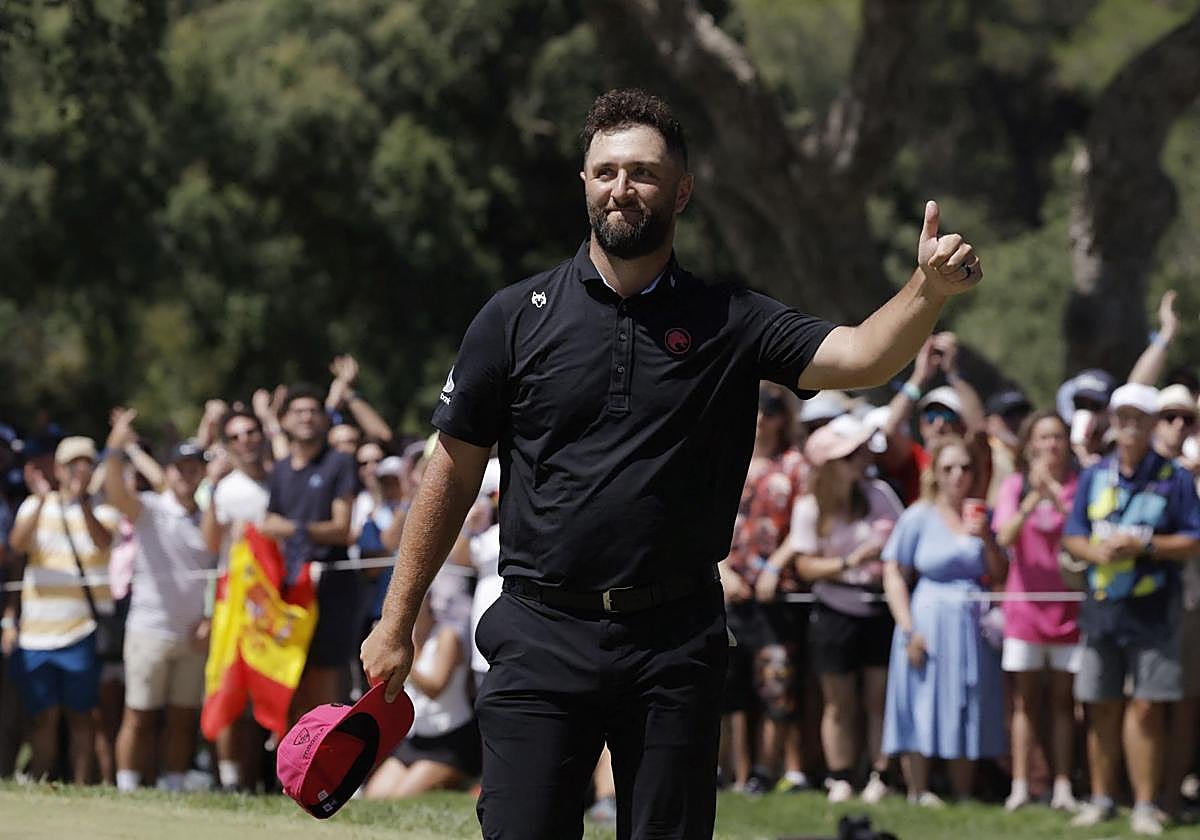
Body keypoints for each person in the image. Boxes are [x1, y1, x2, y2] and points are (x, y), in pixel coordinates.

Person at [360, 88, 983, 840]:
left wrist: (929, 290)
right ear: (585, 184)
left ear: (681, 191)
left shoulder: (730, 317)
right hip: (539, 630)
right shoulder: (513, 318)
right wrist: (397, 621)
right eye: (606, 172)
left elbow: (859, 357)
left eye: (644, 173)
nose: (622, 188)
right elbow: (452, 473)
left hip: (674, 641)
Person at [1062, 383, 1200, 835]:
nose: (1129, 425)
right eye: (1122, 416)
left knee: (1146, 708)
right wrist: (1094, 552)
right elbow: (1073, 533)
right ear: (1113, 422)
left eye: (1139, 417)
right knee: (1100, 705)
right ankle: (1101, 798)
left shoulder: (1174, 477)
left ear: (1152, 423)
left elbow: (1193, 540)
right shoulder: (1094, 474)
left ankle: (1144, 804)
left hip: (1156, 608)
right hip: (1102, 606)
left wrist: (1143, 543)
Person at [881, 436, 1007, 805]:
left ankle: (963, 790)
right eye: (949, 468)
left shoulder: (982, 515)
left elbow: (998, 572)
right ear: (935, 472)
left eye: (965, 468)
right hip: (927, 617)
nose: (957, 476)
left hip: (970, 620)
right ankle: (919, 790)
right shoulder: (918, 516)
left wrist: (986, 537)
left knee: (967, 699)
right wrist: (908, 629)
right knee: (919, 697)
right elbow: (894, 573)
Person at [788, 415, 903, 804]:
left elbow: (899, 543)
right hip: (833, 609)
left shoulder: (880, 493)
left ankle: (879, 774)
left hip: (876, 606)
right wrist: (849, 562)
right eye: (850, 454)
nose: (861, 459)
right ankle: (840, 776)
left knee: (878, 696)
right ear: (829, 463)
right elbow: (804, 565)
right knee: (839, 702)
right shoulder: (808, 507)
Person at [104, 410, 215, 792]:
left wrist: (210, 618)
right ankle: (127, 788)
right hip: (148, 630)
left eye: (193, 468)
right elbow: (116, 492)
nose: (187, 474)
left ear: (202, 474)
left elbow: (219, 575)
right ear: (167, 472)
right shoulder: (150, 508)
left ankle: (174, 786)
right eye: (180, 467)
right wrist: (115, 449)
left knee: (184, 717)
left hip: (192, 634)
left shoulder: (209, 518)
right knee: (139, 715)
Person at [7, 437, 118, 783]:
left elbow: (103, 542)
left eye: (86, 463)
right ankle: (41, 783)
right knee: (43, 717)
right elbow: (17, 545)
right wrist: (42, 499)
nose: (79, 470)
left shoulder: (103, 509)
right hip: (37, 635)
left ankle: (82, 788)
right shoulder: (33, 506)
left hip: (81, 632)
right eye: (72, 464)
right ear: (58, 469)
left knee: (82, 716)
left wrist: (81, 501)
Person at [720, 385, 810, 795]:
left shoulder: (794, 465)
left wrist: (776, 566)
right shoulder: (724, 458)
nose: (760, 417)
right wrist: (722, 570)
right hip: (728, 589)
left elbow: (806, 527)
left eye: (770, 410)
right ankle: (732, 773)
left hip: (775, 594)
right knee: (727, 688)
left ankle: (766, 770)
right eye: (754, 407)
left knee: (776, 683)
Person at [992, 410, 1080, 812]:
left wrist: (1058, 502)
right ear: (1030, 446)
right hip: (1024, 609)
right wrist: (1033, 498)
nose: (1051, 445)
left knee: (1064, 701)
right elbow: (1005, 536)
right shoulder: (1014, 486)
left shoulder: (1080, 485)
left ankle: (1062, 785)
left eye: (1057, 437)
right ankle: (1022, 785)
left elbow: (1085, 536)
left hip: (1069, 612)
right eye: (1043, 438)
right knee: (1025, 703)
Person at [260, 385, 359, 716]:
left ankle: (324, 760)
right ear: (285, 420)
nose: (307, 417)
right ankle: (290, 764)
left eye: (313, 410)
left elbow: (342, 527)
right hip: (287, 587)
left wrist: (293, 529)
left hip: (330, 585)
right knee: (289, 676)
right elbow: (267, 521)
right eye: (298, 411)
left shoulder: (340, 462)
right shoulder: (281, 469)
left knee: (324, 679)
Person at [202, 407, 272, 792]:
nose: (246, 440)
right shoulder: (225, 489)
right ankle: (230, 786)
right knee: (231, 695)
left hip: (274, 607)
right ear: (228, 445)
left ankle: (263, 781)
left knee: (267, 695)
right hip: (234, 608)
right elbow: (211, 546)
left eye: (252, 432)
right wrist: (212, 489)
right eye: (237, 436)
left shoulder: (280, 480)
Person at [364, 567, 479, 798]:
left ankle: (463, 778)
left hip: (449, 740)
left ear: (428, 602)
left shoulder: (447, 636)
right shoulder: (407, 639)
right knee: (375, 796)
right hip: (416, 738)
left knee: (402, 797)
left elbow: (435, 688)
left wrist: (403, 661)